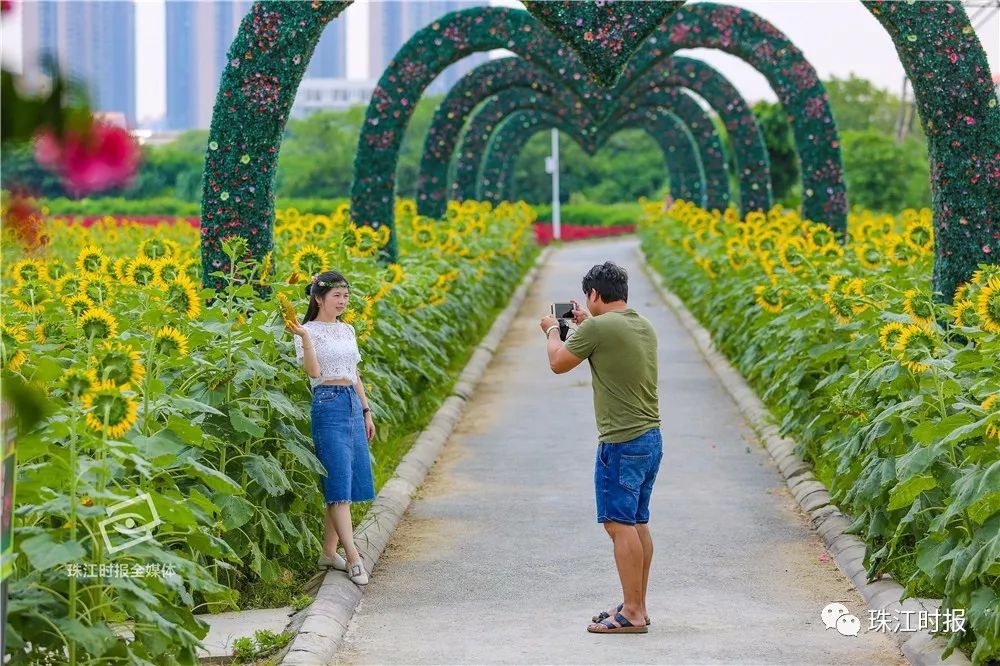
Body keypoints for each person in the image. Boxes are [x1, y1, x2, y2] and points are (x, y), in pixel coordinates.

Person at [539, 261, 662, 634]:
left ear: (593, 294)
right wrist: (582, 323)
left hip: (621, 441)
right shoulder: (639, 323)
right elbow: (605, 341)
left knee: (617, 524)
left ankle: (633, 615)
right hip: (650, 438)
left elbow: (559, 363)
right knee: (637, 522)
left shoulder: (597, 327)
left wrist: (551, 332)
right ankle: (635, 604)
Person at [285, 270, 376, 586]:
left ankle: (328, 551)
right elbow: (313, 372)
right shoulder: (307, 331)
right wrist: (306, 340)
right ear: (318, 297)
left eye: (346, 296)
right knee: (338, 486)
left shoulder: (347, 329)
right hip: (327, 404)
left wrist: (366, 411)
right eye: (337, 295)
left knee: (346, 482)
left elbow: (355, 373)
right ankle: (352, 558)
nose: (343, 301)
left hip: (351, 402)